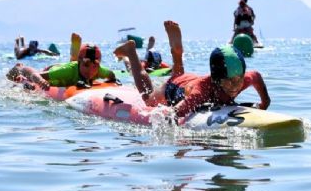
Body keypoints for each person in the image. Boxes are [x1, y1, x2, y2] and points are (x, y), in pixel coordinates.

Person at [113, 20, 270, 118]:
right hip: (174, 88)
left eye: (239, 80)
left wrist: (264, 103)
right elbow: (175, 113)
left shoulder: (241, 79)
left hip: (190, 80)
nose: (235, 86)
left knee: (178, 74)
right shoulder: (200, 93)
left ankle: (177, 53)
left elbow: (256, 76)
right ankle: (131, 52)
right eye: (229, 82)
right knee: (148, 98)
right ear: (216, 79)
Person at [7, 37, 117, 90]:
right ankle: (19, 67)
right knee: (30, 77)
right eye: (86, 64)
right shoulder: (66, 71)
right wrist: (41, 81)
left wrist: (111, 82)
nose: (91, 69)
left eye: (95, 64)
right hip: (54, 71)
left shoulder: (99, 70)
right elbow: (36, 75)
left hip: (70, 70)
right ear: (79, 62)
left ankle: (73, 54)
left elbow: (111, 75)